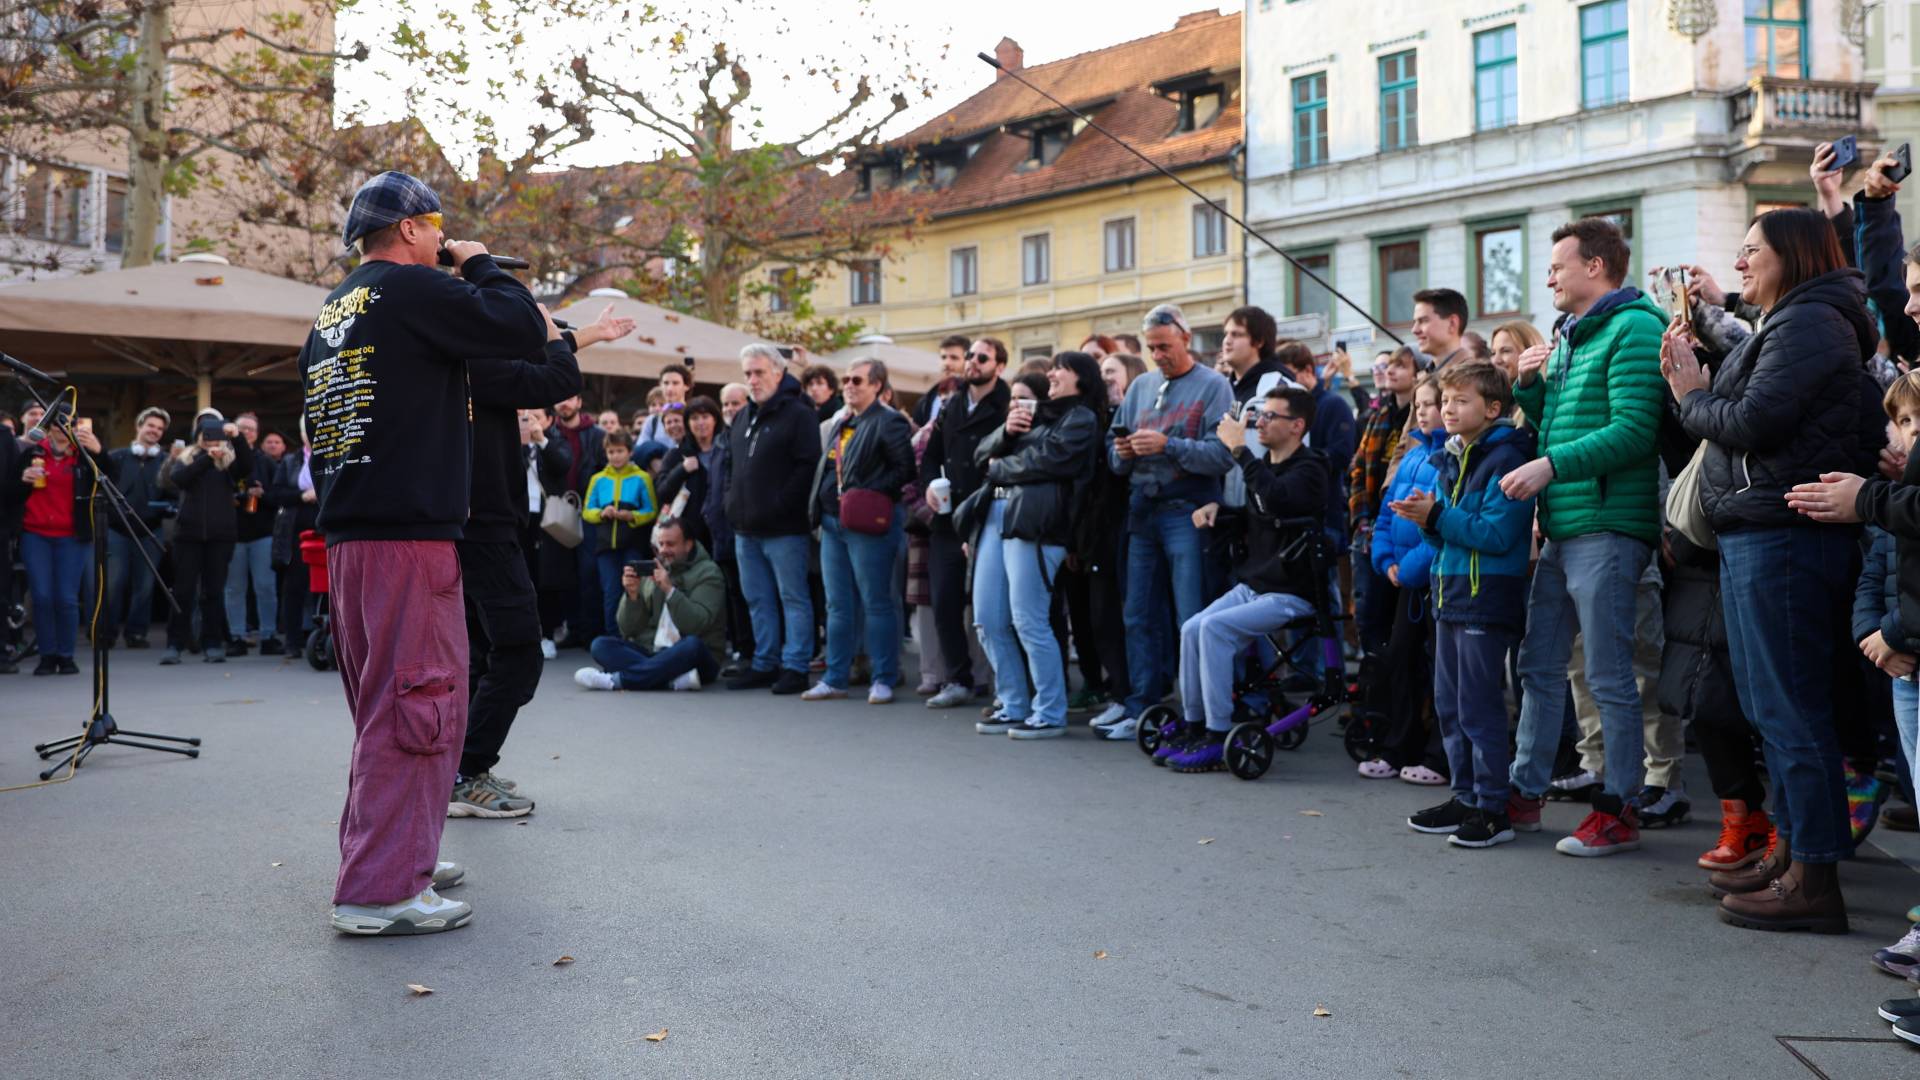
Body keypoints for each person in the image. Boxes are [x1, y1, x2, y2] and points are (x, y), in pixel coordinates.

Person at [307, 170, 547, 936]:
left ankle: (401, 851)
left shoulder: (335, 308)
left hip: (354, 533)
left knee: (390, 706)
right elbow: (519, 326)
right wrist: (479, 264)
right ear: (409, 228)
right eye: (437, 223)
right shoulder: (410, 290)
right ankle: (379, 890)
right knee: (420, 705)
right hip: (406, 533)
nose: (444, 234)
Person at [1677, 207, 1875, 933]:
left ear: (1792, 256)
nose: (1739, 263)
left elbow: (1751, 421)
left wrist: (1690, 394)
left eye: (1751, 250)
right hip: (1760, 528)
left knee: (1791, 711)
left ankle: (1814, 879)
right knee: (1771, 709)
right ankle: (1792, 853)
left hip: (1783, 534)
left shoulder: (1809, 322)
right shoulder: (1791, 321)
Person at [1505, 216, 1667, 857]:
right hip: (1566, 527)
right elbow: (1557, 432)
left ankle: (1619, 807)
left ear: (1595, 267)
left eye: (1557, 265)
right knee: (1539, 666)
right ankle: (1522, 792)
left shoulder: (1636, 327)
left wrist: (1551, 467)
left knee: (1607, 676)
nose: (1548, 276)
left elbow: (1634, 431)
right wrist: (1527, 388)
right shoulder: (1568, 334)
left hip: (1608, 527)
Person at [448, 300, 617, 821]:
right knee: (520, 653)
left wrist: (584, 332)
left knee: (480, 657)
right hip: (486, 531)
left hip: (475, 527)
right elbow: (556, 374)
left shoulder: (463, 360)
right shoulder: (483, 367)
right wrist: (547, 328)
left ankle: (462, 766)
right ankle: (467, 772)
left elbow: (542, 353)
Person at [1392, 360, 1538, 846]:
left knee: (1479, 707)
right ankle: (1466, 797)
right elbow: (1445, 541)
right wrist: (1426, 520)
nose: (1448, 410)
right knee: (1450, 707)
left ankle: (1494, 808)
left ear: (1493, 408)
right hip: (1449, 595)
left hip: (1485, 598)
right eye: (1445, 400)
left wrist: (1437, 515)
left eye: (1460, 401)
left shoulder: (1507, 457)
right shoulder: (1450, 457)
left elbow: (1497, 534)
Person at [1158, 386, 1329, 771]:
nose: (1260, 422)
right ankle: (1195, 723)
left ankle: (1219, 735)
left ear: (1297, 426)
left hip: (1292, 593)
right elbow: (1260, 513)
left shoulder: (1312, 469)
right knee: (1191, 628)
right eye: (1260, 415)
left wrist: (1239, 451)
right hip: (1257, 585)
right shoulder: (1267, 466)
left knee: (1214, 629)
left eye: (1271, 416)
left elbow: (1276, 500)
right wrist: (1219, 510)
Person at [1109, 303, 1236, 740]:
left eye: (1164, 345)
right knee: (1137, 614)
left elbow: (1222, 455)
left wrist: (1169, 445)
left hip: (1189, 511)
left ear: (1185, 337)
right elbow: (1113, 450)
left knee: (1191, 617)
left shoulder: (1214, 386)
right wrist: (1123, 454)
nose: (1158, 354)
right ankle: (1142, 706)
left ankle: (1196, 713)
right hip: (1143, 509)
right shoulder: (1141, 385)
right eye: (1151, 348)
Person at [968, 351, 1104, 738]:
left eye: (1061, 369)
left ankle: (1049, 710)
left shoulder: (1081, 418)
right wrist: (1005, 434)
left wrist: (1000, 470)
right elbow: (981, 455)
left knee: (1030, 620)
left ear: (1081, 378)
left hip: (1040, 526)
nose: (1053, 374)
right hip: (1004, 519)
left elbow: (1049, 462)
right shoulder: (1037, 415)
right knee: (988, 621)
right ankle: (1013, 704)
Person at [804, 359, 913, 703]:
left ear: (877, 385)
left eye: (857, 380)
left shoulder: (890, 421)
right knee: (837, 605)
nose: (849, 385)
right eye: (846, 379)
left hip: (869, 521)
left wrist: (866, 495)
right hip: (834, 522)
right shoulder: (843, 421)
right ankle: (835, 678)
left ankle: (884, 676)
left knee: (877, 602)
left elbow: (904, 469)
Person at [1359, 374, 1446, 782]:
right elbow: (1386, 513)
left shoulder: (1452, 456)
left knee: (1440, 670)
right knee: (1401, 662)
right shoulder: (1412, 454)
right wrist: (1386, 558)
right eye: (1419, 404)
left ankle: (1438, 756)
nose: (1422, 411)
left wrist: (1408, 568)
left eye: (1431, 403)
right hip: (1405, 581)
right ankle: (1399, 747)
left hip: (1432, 580)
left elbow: (1442, 522)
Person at [724, 344, 823, 694]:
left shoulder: (799, 414)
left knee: (793, 598)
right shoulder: (742, 417)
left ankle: (795, 665)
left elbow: (807, 467)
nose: (752, 379)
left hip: (784, 528)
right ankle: (765, 662)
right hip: (745, 528)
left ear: (779, 374)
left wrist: (780, 505)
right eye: (748, 373)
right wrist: (730, 502)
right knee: (758, 598)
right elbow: (730, 467)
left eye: (759, 372)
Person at [920, 336, 1009, 709]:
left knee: (993, 607)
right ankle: (958, 678)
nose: (972, 362)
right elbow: (931, 455)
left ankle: (1006, 682)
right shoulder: (952, 404)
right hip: (947, 518)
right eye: (970, 355)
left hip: (989, 516)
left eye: (981, 357)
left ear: (999, 366)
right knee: (944, 601)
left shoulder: (1008, 404)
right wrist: (928, 486)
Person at [575, 518, 726, 691]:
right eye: (661, 544)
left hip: (695, 655)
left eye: (670, 544)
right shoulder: (653, 569)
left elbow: (697, 625)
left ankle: (616, 681)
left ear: (688, 545)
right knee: (601, 645)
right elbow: (628, 630)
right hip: (654, 650)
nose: (664, 550)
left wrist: (670, 591)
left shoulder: (709, 573)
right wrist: (632, 596)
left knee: (693, 645)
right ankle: (670, 681)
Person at [9, 411, 99, 675]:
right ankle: (47, 655)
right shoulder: (32, 452)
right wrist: (22, 479)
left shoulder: (84, 456)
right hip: (35, 533)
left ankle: (66, 655)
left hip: (72, 536)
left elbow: (108, 481)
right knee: (42, 596)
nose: (62, 428)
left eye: (68, 424)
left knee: (67, 598)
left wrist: (98, 453)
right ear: (47, 428)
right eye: (56, 424)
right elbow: (12, 490)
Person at [159, 410, 251, 665]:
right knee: (183, 591)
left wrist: (237, 438)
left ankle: (213, 642)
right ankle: (174, 643)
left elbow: (246, 467)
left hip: (221, 536)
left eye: (215, 435)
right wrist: (206, 459)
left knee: (213, 591)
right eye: (206, 435)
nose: (211, 440)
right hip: (188, 535)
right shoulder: (189, 458)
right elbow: (178, 479)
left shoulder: (229, 460)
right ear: (198, 436)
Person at [1347, 346, 1420, 652]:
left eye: (1401, 366)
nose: (1391, 371)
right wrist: (1362, 519)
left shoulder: (1422, 417)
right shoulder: (1378, 415)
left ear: (1418, 374)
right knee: (1369, 613)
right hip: (1372, 527)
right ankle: (1375, 681)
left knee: (1403, 620)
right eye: (1389, 365)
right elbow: (1359, 469)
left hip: (1406, 527)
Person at [102, 406, 172, 649]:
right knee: (113, 584)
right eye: (151, 426)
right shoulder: (118, 456)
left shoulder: (165, 461)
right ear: (139, 426)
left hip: (150, 530)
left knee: (145, 586)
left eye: (160, 429)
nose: (155, 431)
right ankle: (106, 632)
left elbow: (172, 492)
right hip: (117, 531)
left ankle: (136, 632)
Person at [582, 429, 659, 636]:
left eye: (620, 451)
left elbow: (651, 510)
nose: (615, 456)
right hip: (605, 547)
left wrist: (632, 516)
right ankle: (613, 637)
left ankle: (634, 635)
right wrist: (601, 513)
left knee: (633, 589)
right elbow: (587, 511)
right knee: (610, 592)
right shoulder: (597, 479)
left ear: (630, 452)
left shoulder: (641, 478)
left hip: (632, 545)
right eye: (611, 452)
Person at [547, 394, 607, 645]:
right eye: (559, 398)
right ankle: (572, 628)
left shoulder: (597, 435)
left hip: (589, 512)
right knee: (563, 574)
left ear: (580, 402)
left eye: (569, 398)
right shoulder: (549, 434)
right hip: (558, 511)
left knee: (588, 573)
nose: (564, 403)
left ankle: (589, 632)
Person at [224, 413, 279, 656]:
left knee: (265, 587)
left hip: (262, 533)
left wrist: (262, 494)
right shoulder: (223, 458)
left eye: (251, 429)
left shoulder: (266, 462)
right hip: (232, 533)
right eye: (241, 428)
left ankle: (268, 635)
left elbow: (280, 496)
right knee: (234, 588)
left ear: (257, 435)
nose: (246, 432)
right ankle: (237, 636)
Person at [655, 396, 724, 550]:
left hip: (724, 534)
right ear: (688, 424)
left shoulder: (727, 451)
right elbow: (662, 493)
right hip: (690, 538)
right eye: (694, 418)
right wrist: (682, 470)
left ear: (715, 420)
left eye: (705, 417)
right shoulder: (676, 455)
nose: (700, 422)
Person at [1220, 305, 1293, 406]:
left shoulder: (1278, 386)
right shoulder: (1223, 386)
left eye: (1236, 334)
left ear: (1259, 342)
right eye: (1226, 334)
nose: (1227, 341)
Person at [914, 335, 972, 428]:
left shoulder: (974, 397)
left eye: (954, 358)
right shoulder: (927, 400)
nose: (947, 363)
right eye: (943, 357)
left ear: (968, 361)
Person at [1410, 287, 1470, 369]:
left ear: (1452, 323)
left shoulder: (1475, 378)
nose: (1414, 330)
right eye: (1415, 322)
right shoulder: (1425, 376)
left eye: (1424, 321)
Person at [636, 364, 693, 444]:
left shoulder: (694, 416)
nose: (670, 388)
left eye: (675, 383)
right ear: (660, 385)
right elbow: (640, 451)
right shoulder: (652, 420)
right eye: (666, 383)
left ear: (686, 386)